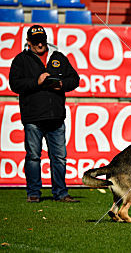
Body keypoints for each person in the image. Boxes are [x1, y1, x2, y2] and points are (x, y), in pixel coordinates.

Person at [9, 25, 80, 203]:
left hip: (56, 117)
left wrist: (62, 84)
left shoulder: (58, 57)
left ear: (45, 39)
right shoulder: (21, 60)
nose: (39, 44)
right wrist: (37, 81)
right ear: (28, 42)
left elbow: (75, 79)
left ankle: (61, 193)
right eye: (35, 41)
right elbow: (15, 84)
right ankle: (33, 192)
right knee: (33, 156)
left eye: (41, 40)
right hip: (33, 117)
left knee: (59, 158)